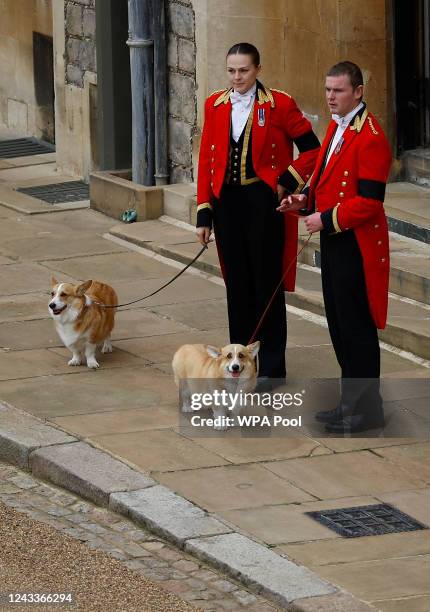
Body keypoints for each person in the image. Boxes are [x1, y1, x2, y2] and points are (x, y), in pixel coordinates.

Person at [196, 42, 320, 384]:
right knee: (236, 285)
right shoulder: (214, 104)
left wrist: (287, 180)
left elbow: (312, 149)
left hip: (263, 204)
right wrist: (204, 214)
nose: (237, 77)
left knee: (266, 284)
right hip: (227, 206)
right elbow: (207, 160)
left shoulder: (280, 103)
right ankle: (240, 363)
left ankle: (274, 367)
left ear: (258, 70)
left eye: (244, 70)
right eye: (232, 70)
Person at [280, 61, 392, 433]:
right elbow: (325, 182)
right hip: (335, 242)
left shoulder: (371, 135)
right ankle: (350, 402)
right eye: (327, 90)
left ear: (358, 91)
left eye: (338, 90)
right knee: (339, 326)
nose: (330, 97)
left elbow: (370, 202)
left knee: (357, 329)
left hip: (356, 246)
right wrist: (303, 202)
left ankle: (366, 409)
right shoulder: (335, 127)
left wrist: (325, 219)